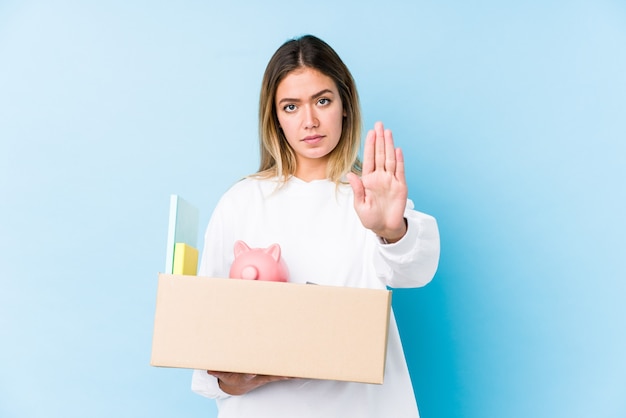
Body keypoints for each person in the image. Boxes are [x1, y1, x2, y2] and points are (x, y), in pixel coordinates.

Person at [191, 34, 440, 418]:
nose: (309, 121)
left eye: (322, 101)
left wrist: (392, 231)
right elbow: (205, 333)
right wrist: (228, 382)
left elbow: (415, 272)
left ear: (344, 106)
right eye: (291, 106)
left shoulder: (368, 197)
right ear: (274, 117)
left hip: (362, 406)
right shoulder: (240, 202)